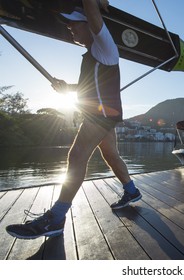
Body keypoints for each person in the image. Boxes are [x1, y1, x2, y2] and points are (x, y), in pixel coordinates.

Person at [6, 0, 142, 240]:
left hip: (101, 116)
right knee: (110, 155)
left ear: (90, 25)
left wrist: (94, 4)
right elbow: (88, 88)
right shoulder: (92, 55)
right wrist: (66, 88)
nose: (70, 27)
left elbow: (91, 9)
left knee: (76, 156)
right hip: (103, 114)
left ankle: (56, 219)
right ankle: (131, 192)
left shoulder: (104, 46)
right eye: (68, 24)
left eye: (74, 23)